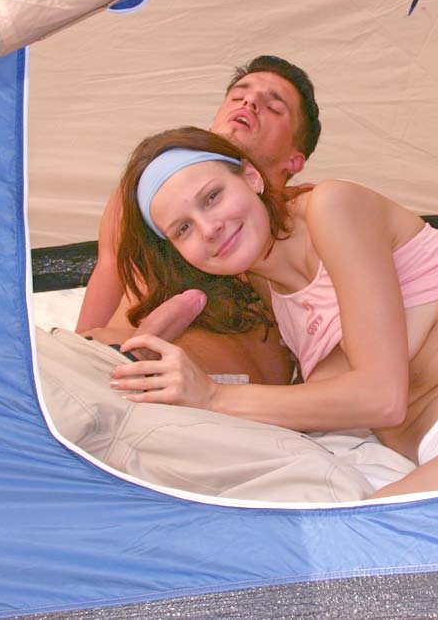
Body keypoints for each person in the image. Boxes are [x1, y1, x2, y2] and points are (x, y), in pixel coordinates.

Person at [108, 126, 438, 497]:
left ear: (252, 178)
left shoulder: (331, 207)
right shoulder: (263, 299)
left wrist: (214, 396)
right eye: (183, 229)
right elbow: (322, 401)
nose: (209, 228)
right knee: (344, 558)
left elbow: (382, 397)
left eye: (212, 197)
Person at [74, 56, 321, 383]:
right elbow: (108, 275)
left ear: (294, 160)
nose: (249, 102)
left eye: (274, 107)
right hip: (118, 368)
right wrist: (78, 359)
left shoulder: (310, 215)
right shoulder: (146, 196)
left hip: (235, 399)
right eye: (238, 96)